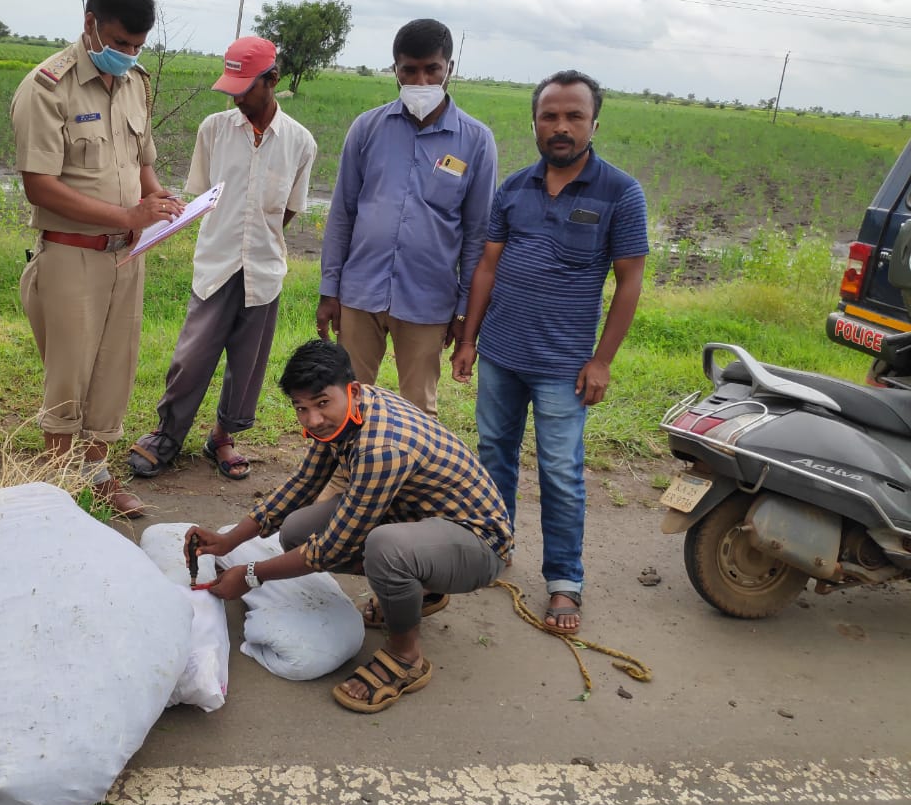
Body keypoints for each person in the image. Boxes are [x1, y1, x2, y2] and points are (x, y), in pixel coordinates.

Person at [187, 340, 512, 714]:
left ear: (351, 391)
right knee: (297, 531)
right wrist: (228, 542)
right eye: (301, 408)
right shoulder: (348, 413)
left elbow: (332, 549)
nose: (312, 419)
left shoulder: (382, 447)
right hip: (419, 518)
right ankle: (419, 590)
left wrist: (250, 575)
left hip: (478, 543)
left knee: (385, 549)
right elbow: (303, 485)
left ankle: (406, 657)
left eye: (321, 403)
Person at [450, 69, 649, 635]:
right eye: (550, 116)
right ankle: (493, 545)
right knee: (494, 455)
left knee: (562, 472)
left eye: (573, 116)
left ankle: (564, 581)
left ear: (593, 122)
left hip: (565, 365)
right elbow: (487, 265)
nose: (560, 127)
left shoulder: (619, 192)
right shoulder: (513, 188)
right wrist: (469, 340)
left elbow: (628, 282)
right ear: (535, 121)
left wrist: (602, 359)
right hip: (501, 355)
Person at [12, 0, 184, 518]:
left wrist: (160, 204)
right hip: (71, 256)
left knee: (115, 371)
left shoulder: (135, 83)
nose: (128, 54)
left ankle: (96, 473)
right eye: (118, 42)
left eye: (137, 45)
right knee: (69, 375)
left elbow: (144, 163)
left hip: (125, 257)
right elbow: (40, 184)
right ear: (90, 24)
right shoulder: (47, 87)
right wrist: (125, 212)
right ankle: (60, 484)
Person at [126, 37, 317, 481]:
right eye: (230, 88)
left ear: (272, 80)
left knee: (247, 363)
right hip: (216, 263)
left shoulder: (300, 143)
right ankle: (167, 434)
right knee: (192, 357)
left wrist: (258, 239)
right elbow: (203, 196)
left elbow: (287, 209)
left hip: (264, 269)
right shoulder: (213, 129)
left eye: (244, 88)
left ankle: (223, 438)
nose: (236, 97)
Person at [316, 18, 496, 417]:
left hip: (428, 300)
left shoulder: (476, 141)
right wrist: (331, 289)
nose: (421, 80)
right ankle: (344, 477)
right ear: (394, 70)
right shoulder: (367, 129)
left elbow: (477, 233)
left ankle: (412, 479)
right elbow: (343, 213)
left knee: (418, 410)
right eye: (409, 70)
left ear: (449, 68)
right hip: (360, 292)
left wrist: (464, 311)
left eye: (432, 69)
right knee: (348, 401)